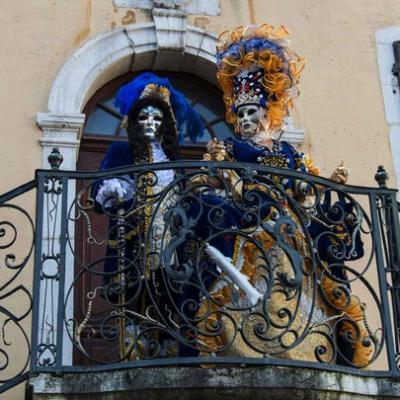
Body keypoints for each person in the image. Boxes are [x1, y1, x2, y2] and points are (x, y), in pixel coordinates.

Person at [185, 24, 374, 367]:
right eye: (240, 114)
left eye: (251, 113)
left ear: (265, 112)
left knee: (310, 278)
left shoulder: (289, 151)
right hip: (247, 223)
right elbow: (206, 181)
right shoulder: (231, 147)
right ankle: (236, 345)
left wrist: (331, 180)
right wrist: (220, 173)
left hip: (288, 226)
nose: (244, 119)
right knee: (239, 278)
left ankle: (308, 343)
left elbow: (304, 187)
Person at [91, 72, 203, 359]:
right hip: (135, 240)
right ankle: (134, 360)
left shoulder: (173, 161)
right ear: (134, 122)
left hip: (172, 243)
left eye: (157, 118)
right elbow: (99, 190)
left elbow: (185, 198)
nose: (151, 123)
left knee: (170, 301)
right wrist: (113, 190)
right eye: (145, 117)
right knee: (134, 302)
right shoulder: (122, 151)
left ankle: (166, 358)